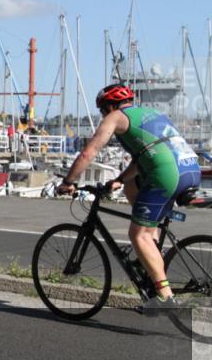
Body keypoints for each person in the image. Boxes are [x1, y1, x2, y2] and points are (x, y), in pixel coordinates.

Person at [57, 84, 200, 312]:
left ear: (109, 106)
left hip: (167, 174)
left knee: (137, 234)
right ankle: (152, 255)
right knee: (133, 187)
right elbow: (144, 157)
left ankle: (164, 298)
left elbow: (88, 153)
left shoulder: (115, 117)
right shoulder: (151, 113)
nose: (103, 115)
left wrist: (68, 182)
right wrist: (121, 179)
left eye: (103, 110)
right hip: (190, 169)